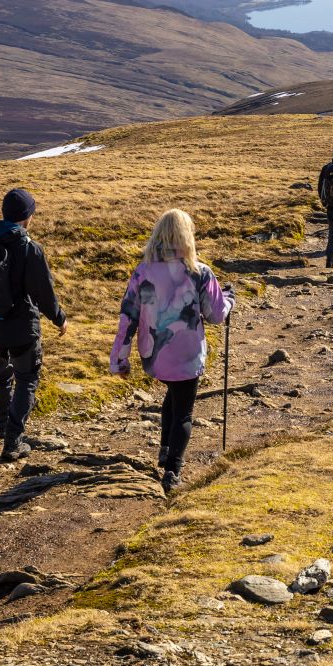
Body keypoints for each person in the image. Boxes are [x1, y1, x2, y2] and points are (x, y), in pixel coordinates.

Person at [110, 209, 233, 494]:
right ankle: (173, 470)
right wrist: (228, 299)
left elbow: (127, 317)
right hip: (187, 355)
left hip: (155, 356)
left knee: (172, 394)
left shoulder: (142, 271)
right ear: (186, 236)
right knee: (184, 412)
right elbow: (215, 315)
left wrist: (120, 360)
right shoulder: (200, 272)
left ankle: (165, 449)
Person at [0, 187, 66, 463]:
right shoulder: (29, 248)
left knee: (2, 371)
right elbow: (44, 291)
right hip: (23, 326)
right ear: (26, 216)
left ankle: (1, 425)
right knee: (27, 379)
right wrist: (59, 318)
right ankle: (12, 441)